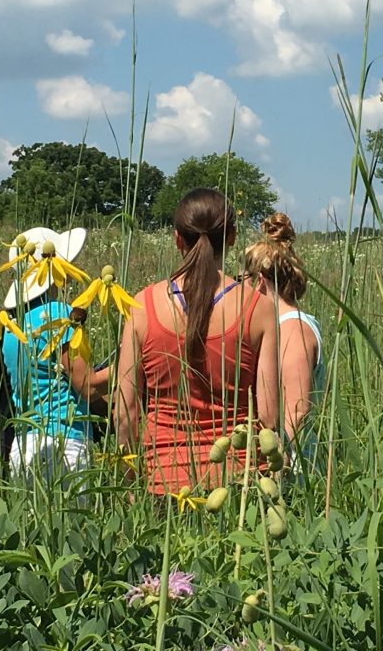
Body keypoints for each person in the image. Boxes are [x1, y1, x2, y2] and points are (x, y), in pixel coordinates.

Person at [114, 188, 279, 494]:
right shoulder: (259, 309)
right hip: (238, 484)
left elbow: (126, 413)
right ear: (231, 238)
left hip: (162, 482)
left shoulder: (142, 306)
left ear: (178, 239)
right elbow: (269, 415)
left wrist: (130, 480)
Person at [0, 227, 111, 484]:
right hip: (64, 442)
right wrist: (129, 364)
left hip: (23, 444)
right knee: (71, 524)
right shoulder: (60, 314)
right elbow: (87, 386)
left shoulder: (12, 327)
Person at [243, 212, 324, 463]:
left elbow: (297, 411)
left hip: (294, 471)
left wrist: (279, 467)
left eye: (241, 280)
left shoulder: (293, 330)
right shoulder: (278, 326)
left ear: (259, 282)